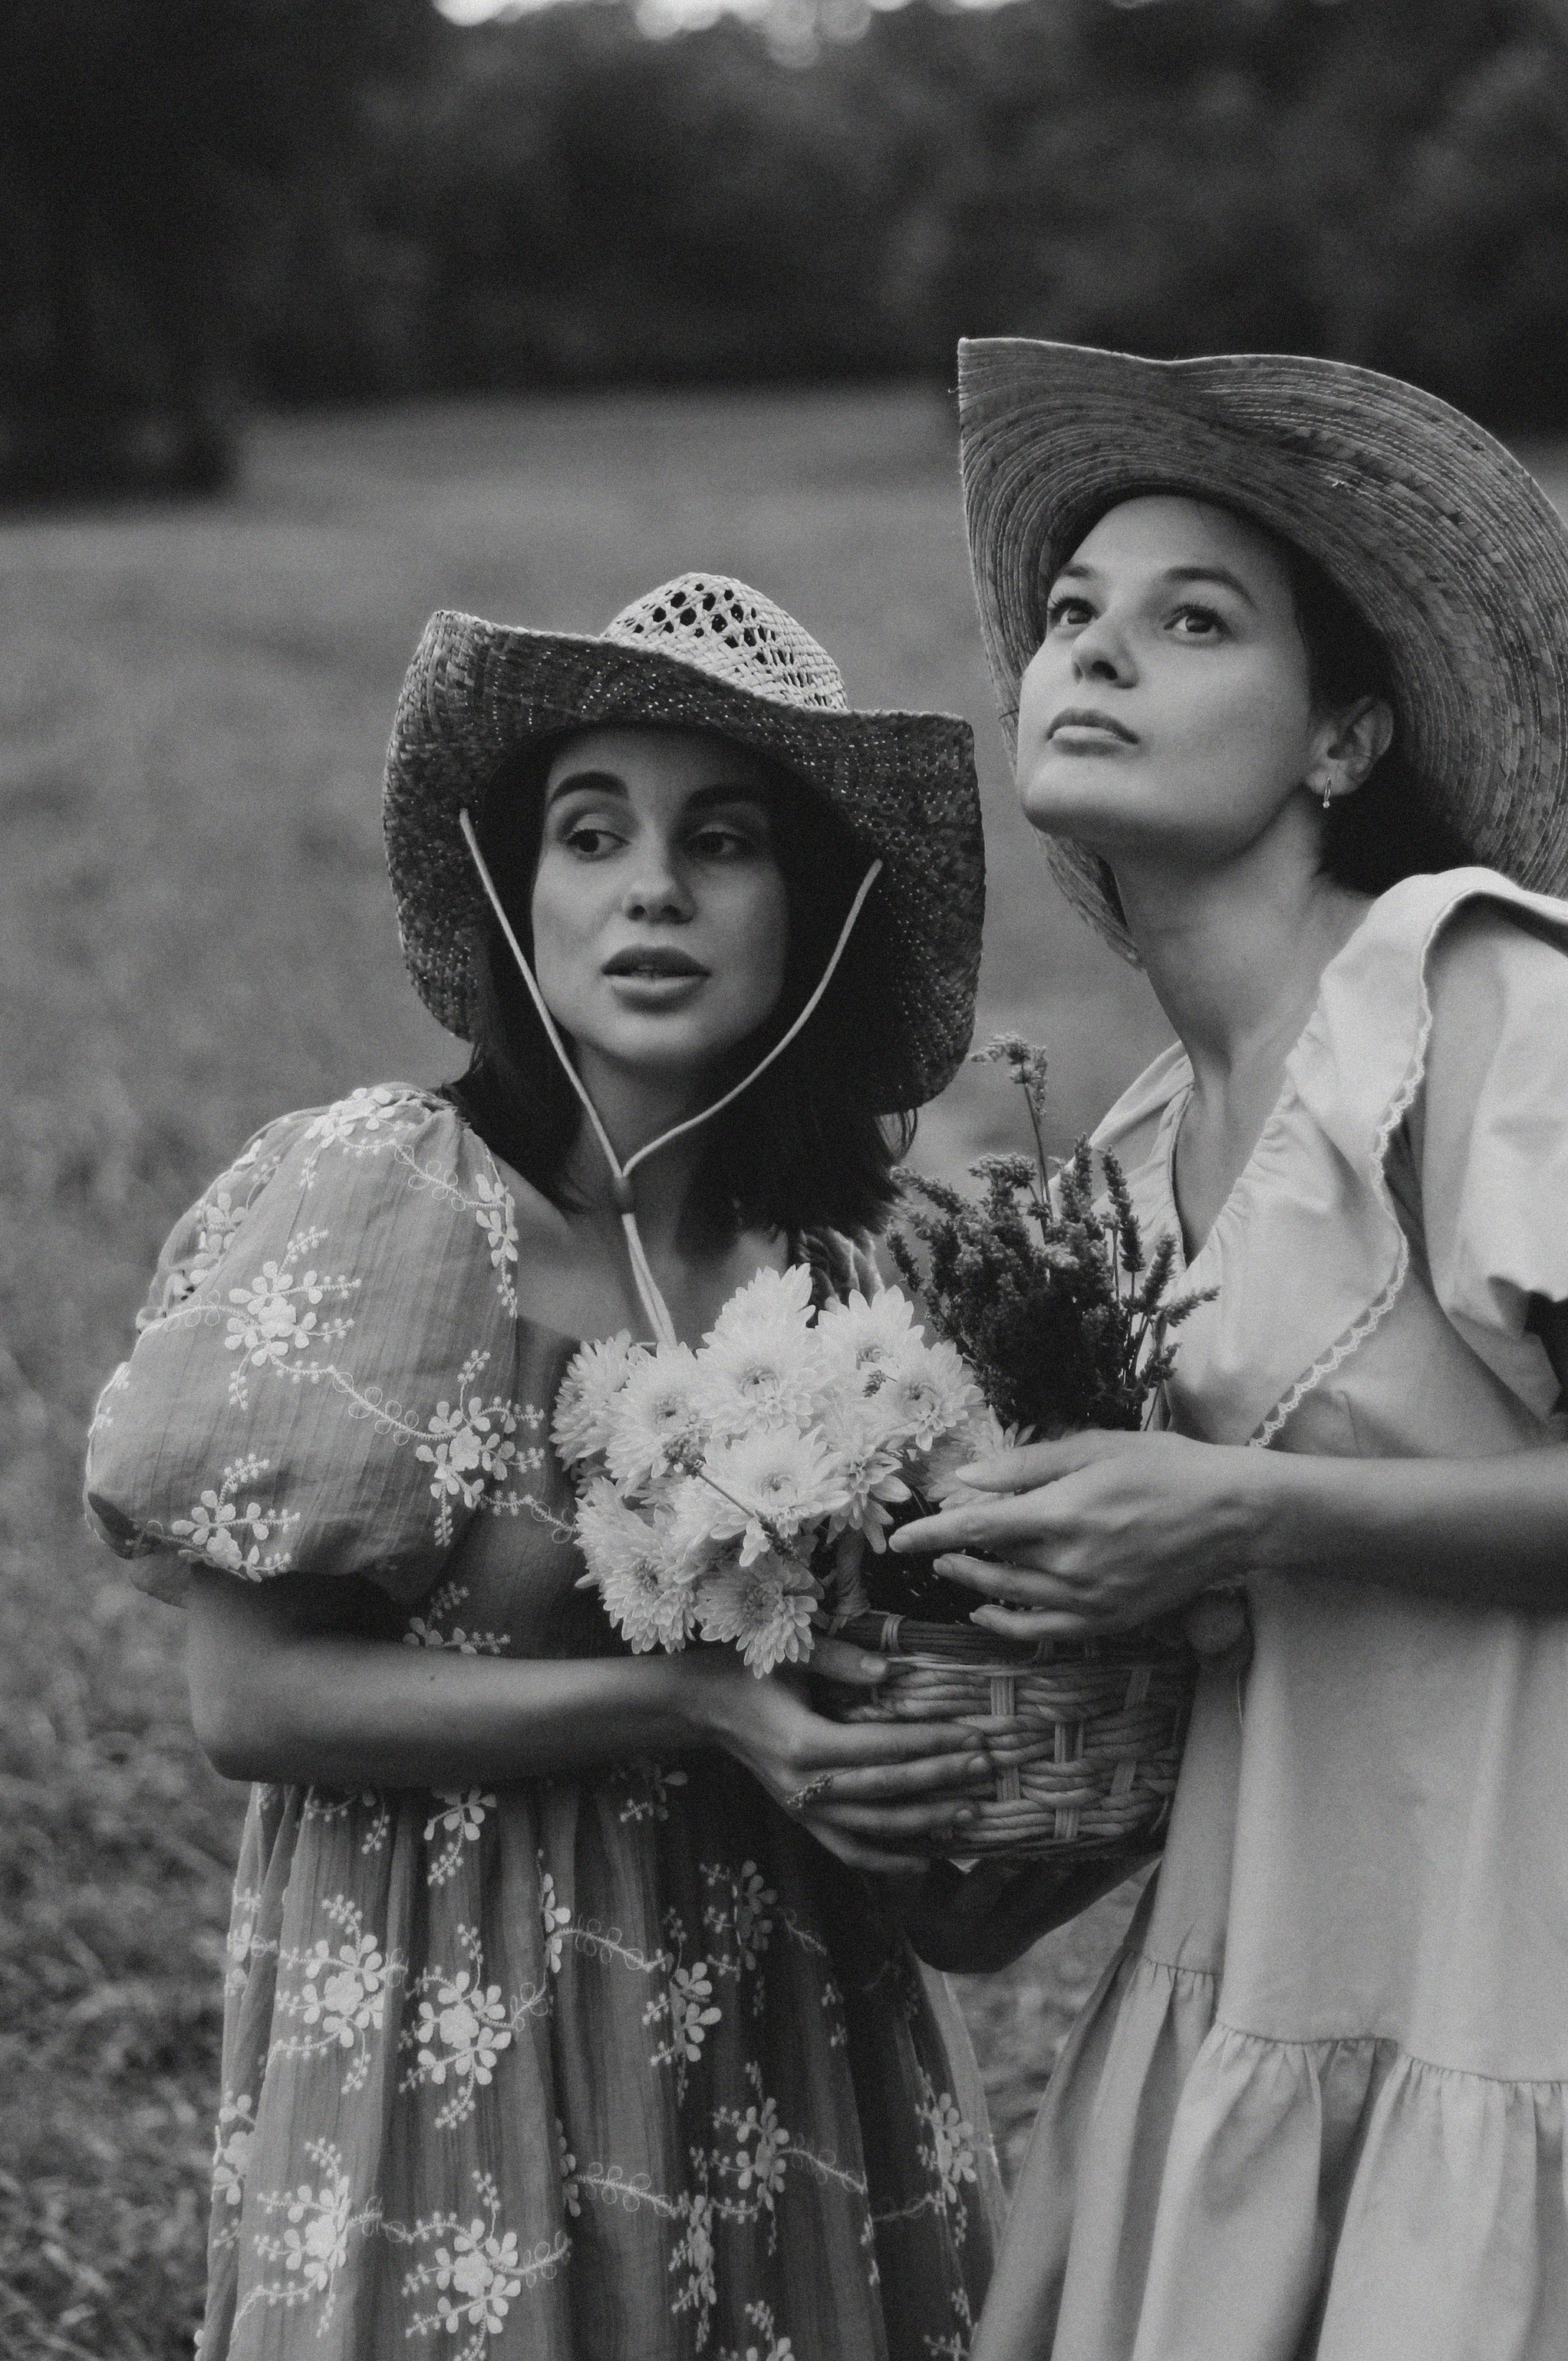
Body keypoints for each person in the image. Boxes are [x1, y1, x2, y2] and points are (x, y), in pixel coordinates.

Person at [896, 344, 1568, 2361]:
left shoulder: (1479, 1004)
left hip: (1555, 1965)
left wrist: (1241, 1502)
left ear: (1341, 734)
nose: (1097, 653)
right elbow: (1191, 1632)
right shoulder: (1124, 1152)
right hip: (1267, 1958)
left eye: (1192, 619)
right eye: (1070, 615)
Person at [85, 572, 1003, 2361]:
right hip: (460, 2035)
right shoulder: (400, 1202)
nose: (650, 886)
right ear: (524, 897)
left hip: (789, 2049)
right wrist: (689, 1704)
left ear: (806, 912)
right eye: (593, 833)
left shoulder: (838, 1275)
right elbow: (252, 1695)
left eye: (718, 841)